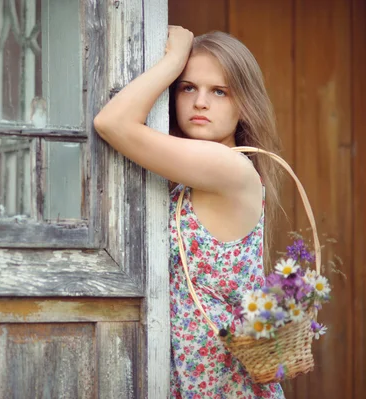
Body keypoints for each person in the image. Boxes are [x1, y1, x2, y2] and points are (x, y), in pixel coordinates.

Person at [93, 26, 285, 398]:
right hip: (195, 378)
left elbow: (111, 122)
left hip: (224, 386)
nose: (200, 102)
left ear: (244, 104)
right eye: (187, 87)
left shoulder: (227, 168)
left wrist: (173, 60)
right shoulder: (191, 179)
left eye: (219, 91)